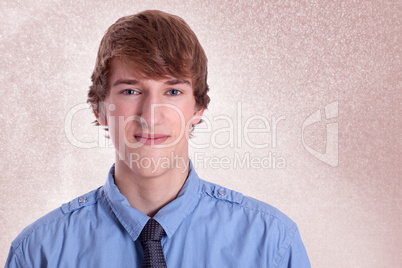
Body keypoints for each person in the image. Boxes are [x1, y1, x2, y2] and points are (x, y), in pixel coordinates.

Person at [5, 10, 310, 267]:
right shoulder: (39, 252)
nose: (151, 116)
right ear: (99, 108)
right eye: (131, 91)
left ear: (199, 107)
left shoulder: (271, 243)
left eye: (173, 91)